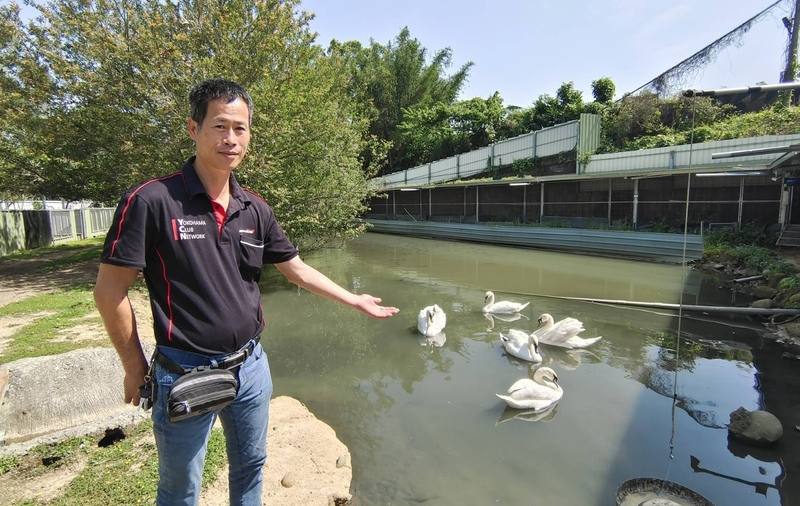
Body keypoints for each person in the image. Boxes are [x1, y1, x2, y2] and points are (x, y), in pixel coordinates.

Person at [93, 78, 399, 505]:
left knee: (252, 467)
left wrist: (353, 298)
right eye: (220, 126)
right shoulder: (152, 201)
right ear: (193, 129)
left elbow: (295, 270)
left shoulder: (254, 207)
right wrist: (133, 366)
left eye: (240, 128)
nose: (231, 139)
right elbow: (110, 293)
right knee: (180, 488)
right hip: (184, 369)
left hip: (251, 367)